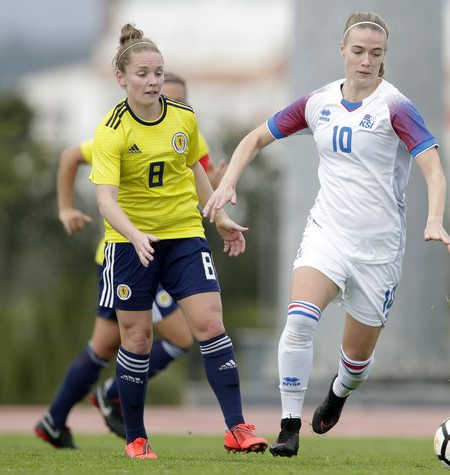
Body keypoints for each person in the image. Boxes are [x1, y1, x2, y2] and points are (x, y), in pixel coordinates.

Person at [203, 12, 450, 458]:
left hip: (378, 251)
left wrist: (434, 219)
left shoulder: (395, 106)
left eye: (375, 54)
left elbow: (433, 167)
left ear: (383, 59)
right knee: (299, 320)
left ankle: (339, 392)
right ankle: (288, 427)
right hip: (327, 235)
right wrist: (228, 182)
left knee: (355, 363)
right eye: (358, 51)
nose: (365, 61)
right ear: (343, 51)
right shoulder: (318, 102)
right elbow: (255, 138)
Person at [89, 23, 267, 459]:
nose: (152, 82)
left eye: (157, 73)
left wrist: (219, 216)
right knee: (137, 340)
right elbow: (105, 202)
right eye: (143, 74)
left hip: (185, 235)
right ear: (122, 78)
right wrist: (134, 234)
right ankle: (136, 437)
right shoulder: (112, 130)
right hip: (130, 246)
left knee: (210, 324)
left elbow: (196, 171)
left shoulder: (183, 118)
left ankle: (237, 429)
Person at [34, 73, 225, 450]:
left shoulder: (186, 130)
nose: (159, 101)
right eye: (154, 90)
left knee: (104, 346)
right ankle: (111, 395)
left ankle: (54, 420)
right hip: (127, 254)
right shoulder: (120, 129)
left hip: (167, 246)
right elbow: (71, 156)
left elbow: (200, 185)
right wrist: (66, 208)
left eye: (172, 98)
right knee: (177, 336)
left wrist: (216, 188)